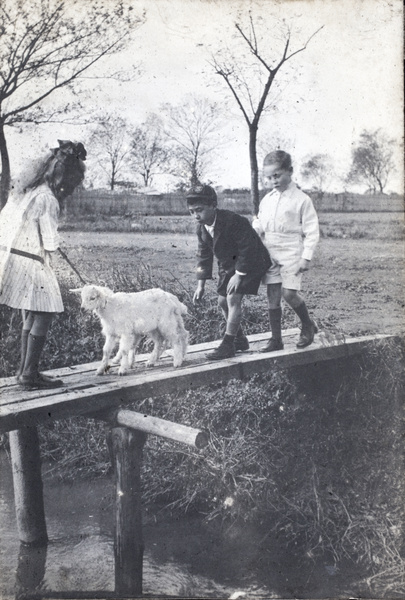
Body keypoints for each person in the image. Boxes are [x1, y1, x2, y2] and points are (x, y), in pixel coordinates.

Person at [0, 140, 86, 389]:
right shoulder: (48, 198)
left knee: (34, 311)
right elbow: (49, 241)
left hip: (14, 257)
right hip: (31, 261)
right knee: (45, 311)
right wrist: (54, 244)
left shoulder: (29, 192)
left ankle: (25, 372)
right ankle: (29, 373)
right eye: (72, 182)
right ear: (65, 177)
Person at [187, 184, 271, 360]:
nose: (196, 215)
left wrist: (239, 274)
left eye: (200, 210)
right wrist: (200, 285)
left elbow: (248, 248)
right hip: (230, 266)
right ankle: (239, 339)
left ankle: (228, 345)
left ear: (213, 205)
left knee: (233, 296)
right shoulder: (201, 228)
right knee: (222, 301)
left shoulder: (233, 220)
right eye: (192, 211)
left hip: (252, 260)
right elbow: (204, 256)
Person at [252, 150, 319, 351]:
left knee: (289, 293)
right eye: (270, 177)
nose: (274, 180)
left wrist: (305, 258)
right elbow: (260, 223)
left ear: (289, 171)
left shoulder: (301, 200)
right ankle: (276, 339)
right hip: (269, 250)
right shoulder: (267, 199)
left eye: (277, 175)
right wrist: (253, 230)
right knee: (273, 294)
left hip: (291, 250)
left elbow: (312, 231)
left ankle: (307, 325)